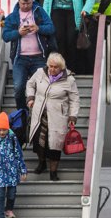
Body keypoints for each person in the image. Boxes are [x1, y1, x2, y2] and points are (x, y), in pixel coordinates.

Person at [26, 52, 80, 181]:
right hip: (40, 114)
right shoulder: (40, 72)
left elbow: (74, 99)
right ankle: (42, 163)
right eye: (50, 66)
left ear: (61, 68)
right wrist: (30, 97)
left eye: (55, 67)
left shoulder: (69, 79)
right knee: (39, 142)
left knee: (55, 145)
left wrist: (73, 116)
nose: (52, 69)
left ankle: (53, 172)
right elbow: (30, 84)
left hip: (58, 116)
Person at [2, 0, 56, 111]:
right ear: (18, 1)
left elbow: (51, 28)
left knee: (42, 88)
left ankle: (39, 113)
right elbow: (5, 36)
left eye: (28, 3)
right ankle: (23, 113)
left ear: (32, 1)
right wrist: (18, 33)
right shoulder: (12, 16)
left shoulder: (39, 11)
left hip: (39, 57)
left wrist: (39, 28)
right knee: (18, 88)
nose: (26, 6)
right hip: (20, 58)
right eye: (23, 3)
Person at [42, 0, 95, 74]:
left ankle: (71, 68)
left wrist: (86, 9)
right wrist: (45, 15)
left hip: (73, 12)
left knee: (71, 40)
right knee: (59, 39)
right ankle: (60, 69)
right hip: (57, 12)